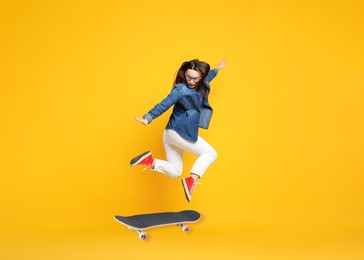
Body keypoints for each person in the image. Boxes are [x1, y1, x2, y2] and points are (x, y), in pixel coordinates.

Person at [130, 58, 227, 202]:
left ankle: (150, 161)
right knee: (210, 153)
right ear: (184, 74)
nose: (191, 81)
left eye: (195, 78)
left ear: (201, 77)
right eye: (188, 77)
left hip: (169, 134)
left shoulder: (202, 83)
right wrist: (148, 118)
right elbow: (164, 104)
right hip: (179, 130)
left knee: (175, 172)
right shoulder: (181, 89)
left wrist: (217, 69)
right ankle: (191, 180)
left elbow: (209, 76)